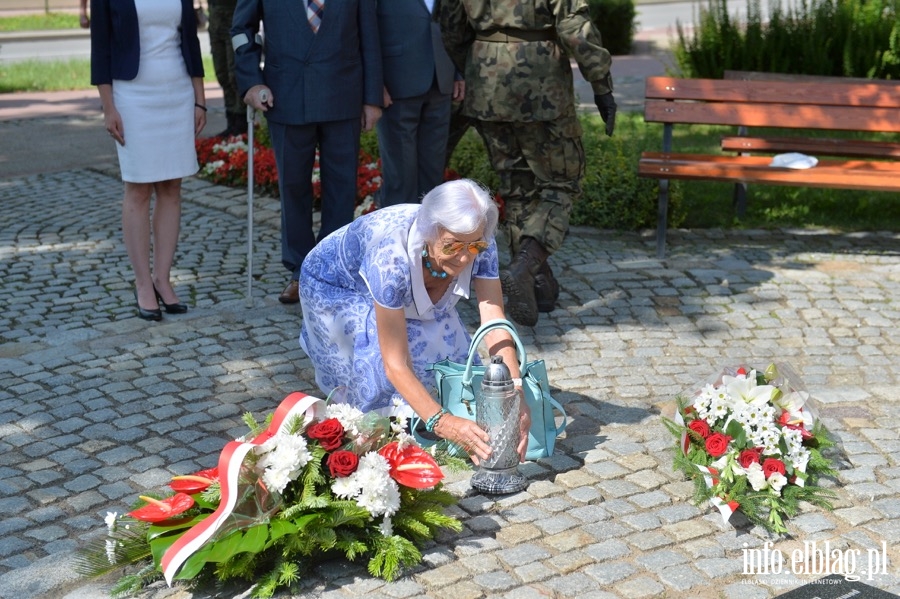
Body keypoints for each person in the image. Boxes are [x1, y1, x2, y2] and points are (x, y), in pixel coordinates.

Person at [299, 179, 531, 463]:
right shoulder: (390, 259)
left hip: (408, 275)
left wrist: (514, 390)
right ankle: (372, 433)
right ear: (429, 233)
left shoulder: (478, 240)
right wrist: (442, 423)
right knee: (376, 368)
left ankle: (428, 413)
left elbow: (494, 321)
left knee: (444, 351)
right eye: (451, 246)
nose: (462, 258)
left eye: (472, 248)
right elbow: (394, 362)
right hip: (335, 285)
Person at [440, 0, 618, 327]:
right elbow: (575, 28)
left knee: (516, 185)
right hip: (540, 83)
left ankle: (538, 284)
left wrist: (480, 62)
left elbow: (451, 26)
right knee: (562, 183)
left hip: (486, 79)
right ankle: (524, 266)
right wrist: (601, 85)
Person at [232, 0, 383, 305]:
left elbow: (370, 35)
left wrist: (372, 98)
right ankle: (300, 271)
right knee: (293, 187)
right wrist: (251, 81)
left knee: (341, 188)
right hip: (285, 93)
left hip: (343, 93)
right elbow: (241, 30)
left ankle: (334, 269)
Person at [90, 0, 206, 321]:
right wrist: (108, 107)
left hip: (177, 91)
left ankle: (162, 279)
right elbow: (100, 47)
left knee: (171, 187)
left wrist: (200, 99)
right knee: (138, 188)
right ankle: (143, 283)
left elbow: (190, 40)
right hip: (132, 97)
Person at [375, 0, 463, 207]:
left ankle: (428, 235)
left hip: (441, 80)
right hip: (397, 84)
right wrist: (375, 84)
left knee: (433, 173)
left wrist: (458, 72)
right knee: (400, 177)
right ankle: (397, 235)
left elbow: (456, 24)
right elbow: (367, 30)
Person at [207, 0, 246, 138]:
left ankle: (241, 123)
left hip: (233, 19)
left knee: (234, 75)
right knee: (221, 73)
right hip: (215, 21)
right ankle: (231, 121)